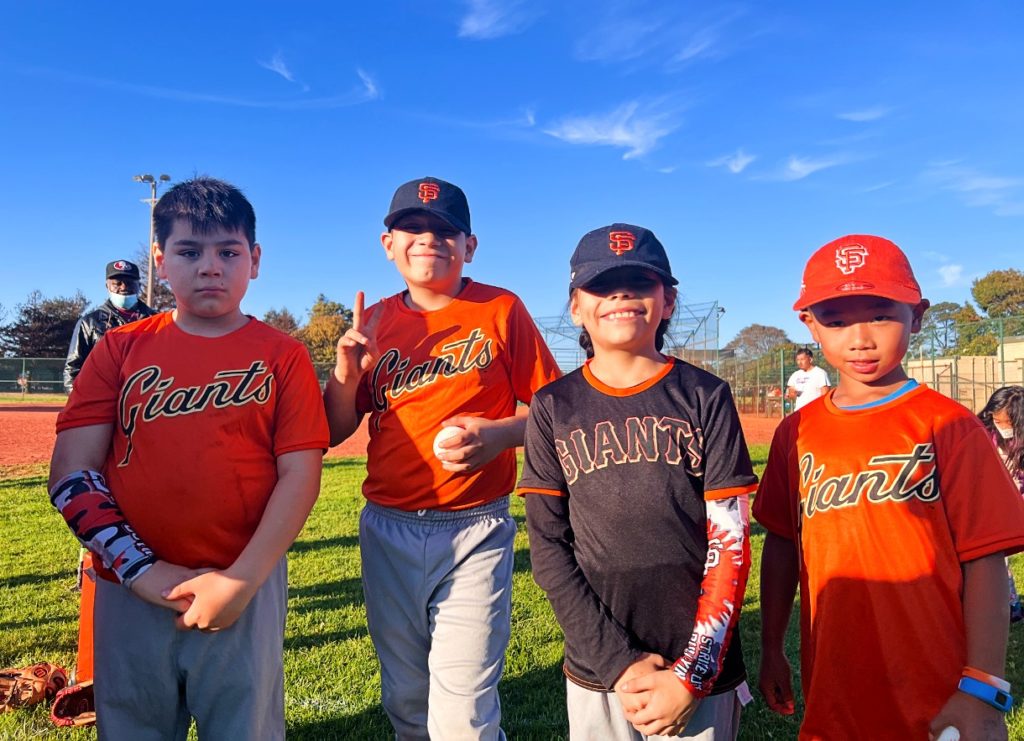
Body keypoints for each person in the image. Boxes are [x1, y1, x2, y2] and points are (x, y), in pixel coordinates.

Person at [47, 177, 329, 740]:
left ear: (255, 259)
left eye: (228, 251)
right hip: (128, 589)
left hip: (244, 581)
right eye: (188, 251)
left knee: (243, 729)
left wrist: (242, 581)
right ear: (160, 259)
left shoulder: (283, 355)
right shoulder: (118, 349)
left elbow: (300, 474)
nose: (210, 267)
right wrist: (143, 571)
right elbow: (71, 475)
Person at [755, 234, 1024, 740]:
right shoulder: (797, 431)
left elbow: (985, 562)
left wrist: (983, 686)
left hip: (937, 694)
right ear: (810, 325)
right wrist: (771, 647)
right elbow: (783, 544)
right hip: (832, 691)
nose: (859, 338)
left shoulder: (949, 426)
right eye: (835, 320)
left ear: (916, 317)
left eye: (880, 315)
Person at [323, 176, 560, 740]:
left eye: (444, 230)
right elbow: (334, 429)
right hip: (387, 525)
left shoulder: (501, 309)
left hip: (475, 525)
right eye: (412, 228)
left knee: (463, 712)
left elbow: (555, 411)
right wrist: (345, 373)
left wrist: (502, 434)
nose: (428, 239)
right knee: (406, 699)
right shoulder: (372, 322)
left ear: (469, 246)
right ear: (388, 244)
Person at [518, 224, 757, 740]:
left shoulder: (705, 395)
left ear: (667, 301)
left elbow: (731, 544)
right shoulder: (553, 406)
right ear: (576, 307)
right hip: (600, 665)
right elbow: (549, 549)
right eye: (602, 286)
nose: (621, 295)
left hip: (697, 669)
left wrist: (692, 675)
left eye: (639, 283)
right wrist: (618, 662)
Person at [63, 259, 157, 393]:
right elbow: (73, 368)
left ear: (139, 285)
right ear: (107, 286)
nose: (124, 287)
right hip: (103, 398)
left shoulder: (156, 320)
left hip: (146, 398)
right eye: (117, 283)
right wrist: (78, 401)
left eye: (129, 283)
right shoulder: (89, 322)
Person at [979, 385, 1024, 622]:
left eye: (1006, 422)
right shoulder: (983, 433)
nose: (1001, 426)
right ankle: (1010, 606)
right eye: (997, 420)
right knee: (996, 555)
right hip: (995, 500)